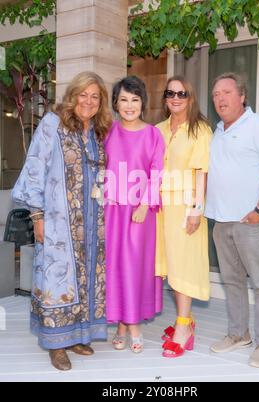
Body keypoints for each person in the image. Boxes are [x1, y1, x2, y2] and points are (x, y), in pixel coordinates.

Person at [12, 72, 112, 371]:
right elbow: (34, 168)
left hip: (92, 221)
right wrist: (37, 215)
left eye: (95, 96)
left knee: (86, 278)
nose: (89, 101)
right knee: (57, 278)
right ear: (73, 95)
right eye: (84, 94)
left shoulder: (98, 130)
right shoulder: (52, 124)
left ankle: (78, 334)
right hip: (58, 220)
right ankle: (56, 343)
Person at [205, 72, 259, 368]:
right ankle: (239, 334)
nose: (220, 98)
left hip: (252, 222)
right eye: (215, 94)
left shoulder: (258, 126)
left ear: (242, 96)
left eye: (226, 92)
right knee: (233, 282)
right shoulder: (218, 131)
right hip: (222, 222)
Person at [105, 76, 165, 353]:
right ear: (116, 103)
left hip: (141, 211)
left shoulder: (154, 135)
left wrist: (144, 206)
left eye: (135, 99)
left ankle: (133, 324)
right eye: (124, 99)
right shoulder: (106, 132)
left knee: (134, 266)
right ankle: (122, 324)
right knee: (115, 265)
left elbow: (156, 173)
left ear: (143, 103)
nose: (129, 105)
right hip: (111, 210)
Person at [156, 76, 212, 358]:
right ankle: (185, 319)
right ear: (165, 98)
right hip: (161, 206)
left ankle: (183, 327)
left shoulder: (200, 129)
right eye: (171, 93)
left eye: (182, 93)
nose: (176, 97)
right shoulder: (158, 129)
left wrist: (196, 210)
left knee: (184, 264)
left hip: (186, 205)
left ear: (191, 97)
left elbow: (202, 172)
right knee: (169, 264)